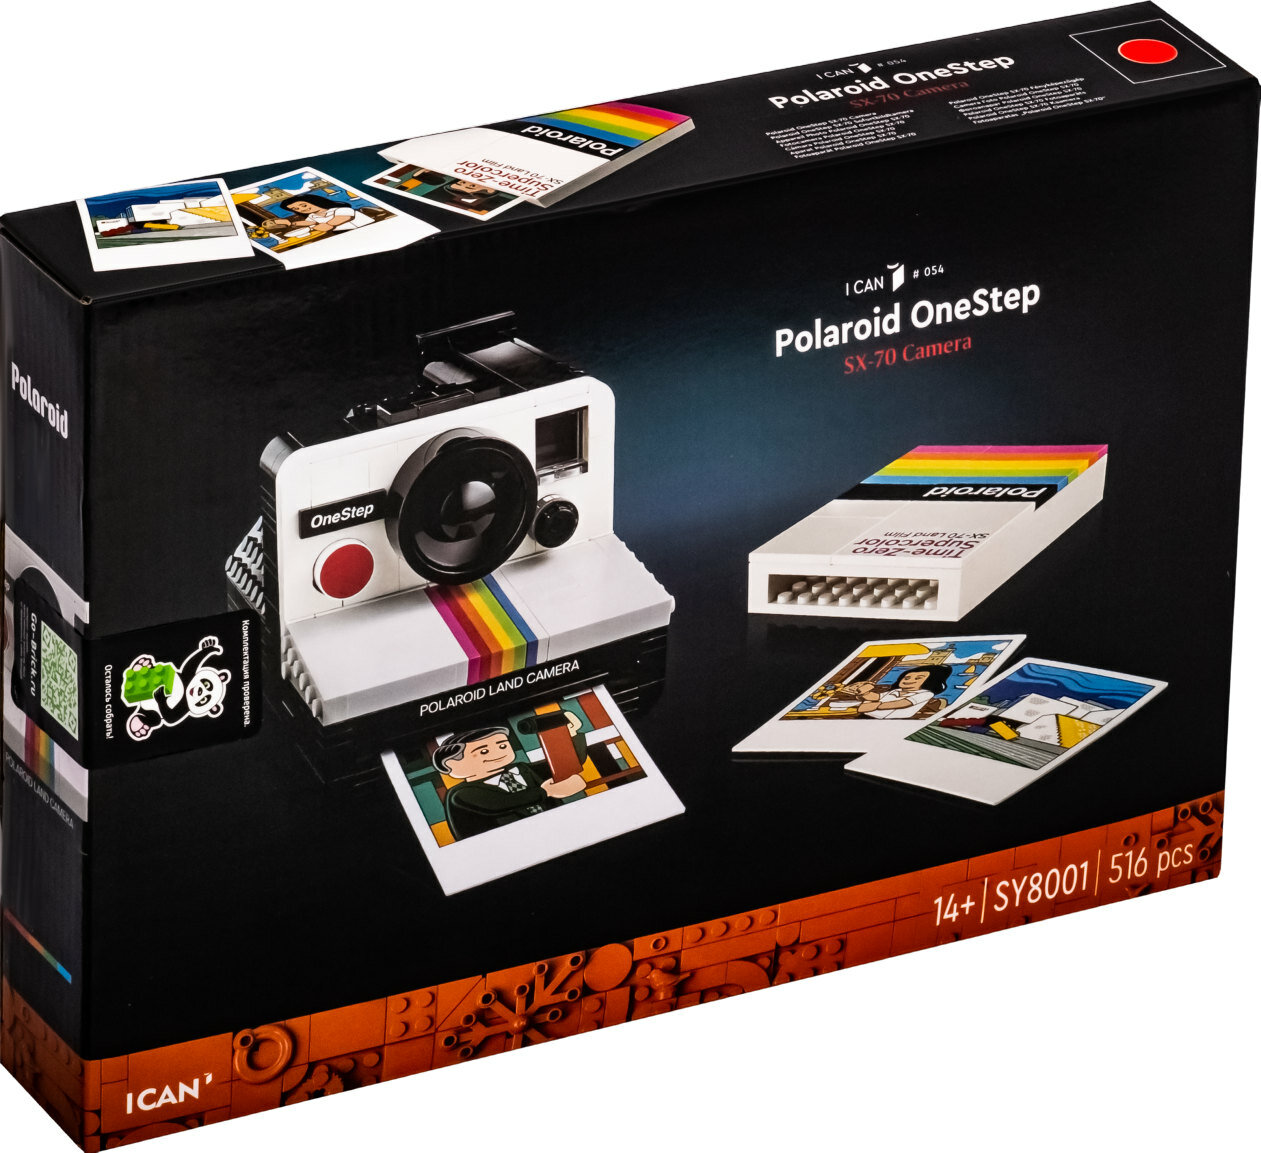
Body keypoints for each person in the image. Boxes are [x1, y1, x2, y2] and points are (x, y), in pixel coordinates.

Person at [437, 723, 587, 840]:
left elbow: (565, 762)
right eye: (483, 751)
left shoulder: (522, 768)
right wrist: (547, 791)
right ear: (453, 765)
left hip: (562, 833)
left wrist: (570, 733)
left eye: (502, 745)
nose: (498, 752)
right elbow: (500, 803)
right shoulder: (461, 794)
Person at [850, 665, 953, 719]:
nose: (909, 680)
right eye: (906, 678)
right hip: (869, 715)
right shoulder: (896, 690)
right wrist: (864, 693)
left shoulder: (926, 694)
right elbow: (877, 697)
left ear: (930, 682)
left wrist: (877, 706)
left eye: (918, 678)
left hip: (892, 721)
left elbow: (903, 703)